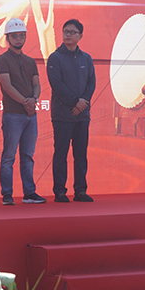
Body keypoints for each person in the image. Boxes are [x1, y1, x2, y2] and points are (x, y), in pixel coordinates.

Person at [0, 18, 45, 205]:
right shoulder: (2, 60)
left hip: (31, 115)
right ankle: (7, 194)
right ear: (7, 38)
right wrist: (26, 101)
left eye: (22, 36)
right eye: (14, 36)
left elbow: (36, 84)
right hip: (13, 115)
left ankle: (29, 193)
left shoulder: (30, 61)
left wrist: (34, 99)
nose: (18, 39)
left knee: (28, 156)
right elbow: (7, 86)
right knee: (9, 156)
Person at [47, 19, 96, 203]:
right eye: (65, 31)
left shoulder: (86, 58)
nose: (68, 35)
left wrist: (82, 103)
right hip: (62, 115)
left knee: (80, 154)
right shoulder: (55, 58)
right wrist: (75, 102)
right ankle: (60, 191)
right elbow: (57, 84)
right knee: (61, 154)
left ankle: (80, 191)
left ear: (80, 36)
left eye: (72, 32)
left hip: (82, 116)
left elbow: (91, 83)